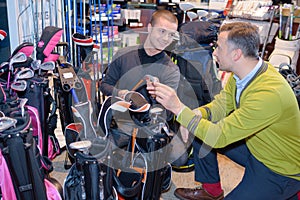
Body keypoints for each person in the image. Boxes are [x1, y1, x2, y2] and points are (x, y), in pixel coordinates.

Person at [147, 22, 300, 199]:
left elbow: (218, 137)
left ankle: (292, 192)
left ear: (236, 54)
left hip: (280, 169)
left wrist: (179, 109)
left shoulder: (268, 94)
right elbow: (221, 105)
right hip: (258, 148)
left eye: (218, 47)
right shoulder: (245, 73)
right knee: (199, 129)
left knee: (205, 131)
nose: (214, 53)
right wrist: (196, 114)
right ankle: (211, 191)